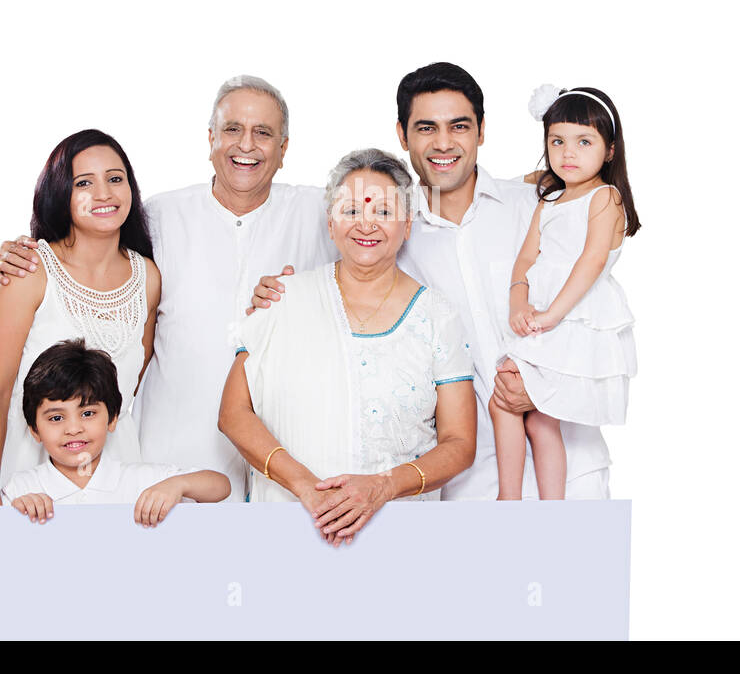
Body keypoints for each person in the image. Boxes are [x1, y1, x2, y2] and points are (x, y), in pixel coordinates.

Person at [252, 62, 615, 499]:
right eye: (426, 128)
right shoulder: (388, 228)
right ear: (403, 136)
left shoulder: (539, 207)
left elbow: (597, 313)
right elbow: (326, 283)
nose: (443, 143)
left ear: (481, 131)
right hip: (466, 483)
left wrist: (546, 389)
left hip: (571, 467)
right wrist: (275, 291)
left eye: (458, 126)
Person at [0, 77, 335, 501]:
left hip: (287, 451)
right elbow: (86, 257)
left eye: (263, 132)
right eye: (231, 130)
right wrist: (8, 256)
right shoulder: (162, 216)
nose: (246, 145)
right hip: (165, 454)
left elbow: (388, 227)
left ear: (284, 148)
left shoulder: (325, 213)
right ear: (210, 139)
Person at [0, 129, 160, 641]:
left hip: (115, 468)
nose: (104, 193)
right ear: (59, 195)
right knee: (24, 619)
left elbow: (132, 383)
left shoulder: (147, 277)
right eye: (83, 183)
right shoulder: (29, 269)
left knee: (110, 615)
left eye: (115, 179)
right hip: (27, 470)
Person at [219, 149, 476, 544]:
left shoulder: (437, 317)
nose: (366, 225)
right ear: (330, 223)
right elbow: (234, 414)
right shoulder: (282, 300)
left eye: (384, 212)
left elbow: (459, 443)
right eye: (351, 210)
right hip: (289, 526)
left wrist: (383, 486)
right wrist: (305, 486)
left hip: (400, 536)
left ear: (407, 224)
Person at [493, 85, 640, 499]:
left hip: (571, 321)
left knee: (515, 403)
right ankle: (529, 501)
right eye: (557, 141)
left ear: (610, 150)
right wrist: (519, 304)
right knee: (532, 416)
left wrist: (551, 315)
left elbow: (590, 263)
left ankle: (515, 500)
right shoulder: (551, 199)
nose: (568, 153)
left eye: (583, 142)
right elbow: (524, 262)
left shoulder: (604, 197)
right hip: (541, 319)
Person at [3, 340, 229, 526]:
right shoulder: (21, 488)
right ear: (35, 430)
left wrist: (178, 485)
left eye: (88, 413)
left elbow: (221, 486)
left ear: (111, 419)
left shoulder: (141, 481)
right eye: (56, 418)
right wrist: (17, 514)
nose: (73, 429)